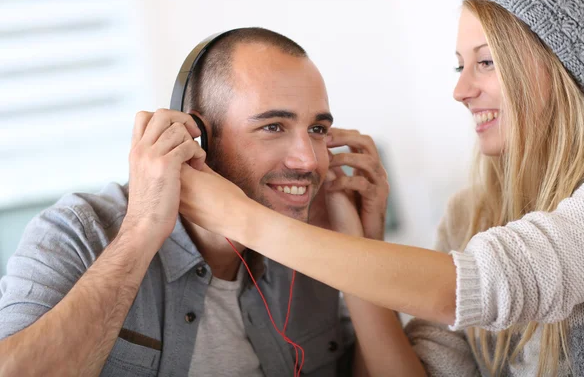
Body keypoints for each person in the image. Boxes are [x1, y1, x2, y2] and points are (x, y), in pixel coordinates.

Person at [178, 0, 584, 376]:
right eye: (460, 68)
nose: (461, 90)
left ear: (567, 65)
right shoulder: (469, 215)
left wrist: (237, 217)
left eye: (486, 62)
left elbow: (483, 284)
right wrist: (357, 239)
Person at [0, 28, 391, 376]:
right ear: (195, 137)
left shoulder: (310, 241)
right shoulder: (77, 232)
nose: (308, 160)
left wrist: (364, 247)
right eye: (273, 127)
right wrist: (140, 231)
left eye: (317, 129)